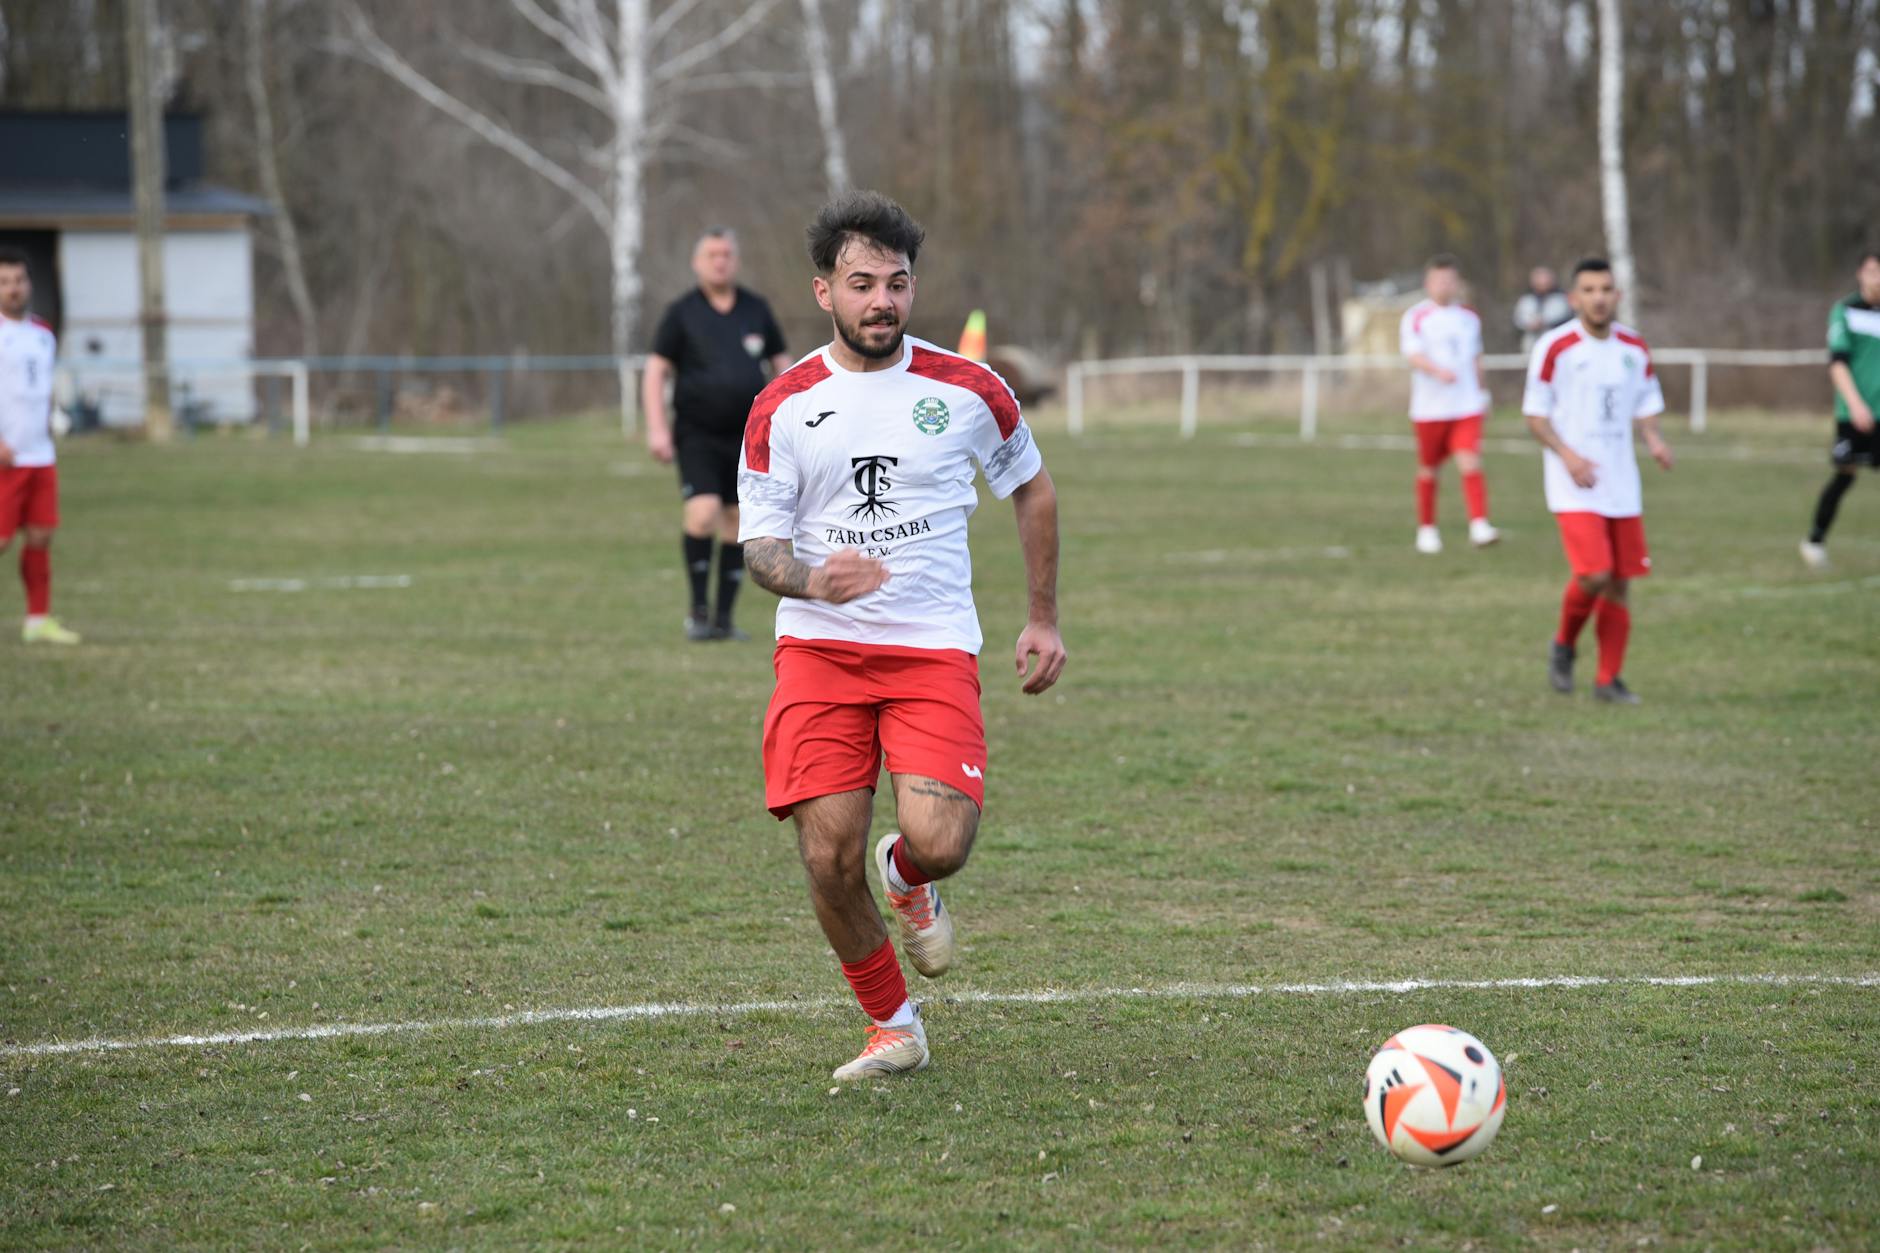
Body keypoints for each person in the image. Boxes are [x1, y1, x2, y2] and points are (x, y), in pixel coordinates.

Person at [736, 191, 1065, 1080]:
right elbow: (759, 543)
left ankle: (910, 874)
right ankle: (893, 1025)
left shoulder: (966, 388)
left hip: (931, 648)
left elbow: (1031, 488)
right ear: (823, 292)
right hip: (820, 648)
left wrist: (1041, 616)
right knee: (826, 851)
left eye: (897, 282)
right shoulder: (784, 403)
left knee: (943, 839)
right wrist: (814, 578)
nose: (882, 300)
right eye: (861, 283)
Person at [1525, 258, 1673, 704]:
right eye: (1589, 290)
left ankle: (1608, 680)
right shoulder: (1555, 347)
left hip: (1621, 482)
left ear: (1617, 296)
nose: (1599, 297)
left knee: (1620, 581)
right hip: (1573, 484)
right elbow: (1535, 415)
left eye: (1606, 289)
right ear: (1574, 298)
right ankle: (1564, 644)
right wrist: (1568, 456)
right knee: (1594, 574)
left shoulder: (1633, 346)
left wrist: (1654, 439)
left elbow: (1646, 400)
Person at [643, 228, 791, 641]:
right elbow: (656, 371)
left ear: (735, 260)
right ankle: (698, 613)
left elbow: (784, 365)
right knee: (703, 512)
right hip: (697, 432)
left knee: (736, 522)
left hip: (748, 437)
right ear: (697, 262)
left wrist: (793, 416)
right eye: (711, 254)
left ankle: (724, 620)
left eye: (726, 254)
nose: (719, 261)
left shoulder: (755, 310)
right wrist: (657, 428)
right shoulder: (681, 313)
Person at [0, 247, 78, 645]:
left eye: (19, 280)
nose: (13, 289)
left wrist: (52, 417)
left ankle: (37, 620)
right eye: (5, 282)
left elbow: (41, 389)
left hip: (39, 453)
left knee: (41, 535)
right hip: (6, 457)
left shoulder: (43, 334)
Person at [1400, 254, 1499, 554]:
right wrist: (1436, 370)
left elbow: (1475, 358)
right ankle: (1427, 530)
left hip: (1465, 406)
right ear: (1428, 283)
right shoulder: (1416, 316)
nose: (1445, 285)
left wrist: (1483, 393)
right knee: (1429, 469)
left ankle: (1479, 525)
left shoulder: (1469, 317)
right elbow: (1413, 355)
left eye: (1450, 279)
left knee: (1470, 461)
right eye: (1439, 280)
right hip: (1430, 409)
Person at [1799, 248, 1880, 570]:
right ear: (1860, 274)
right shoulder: (1846, 311)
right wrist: (1857, 405)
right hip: (1855, 415)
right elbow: (1838, 365)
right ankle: (1815, 541)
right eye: (1873, 270)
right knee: (1844, 475)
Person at [1513, 266, 1572, 355]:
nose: (1542, 283)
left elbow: (1565, 318)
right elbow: (1518, 320)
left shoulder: (1561, 299)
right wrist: (1530, 324)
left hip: (1556, 341)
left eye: (1545, 279)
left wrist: (1544, 322)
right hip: (1531, 344)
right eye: (1539, 279)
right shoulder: (1526, 300)